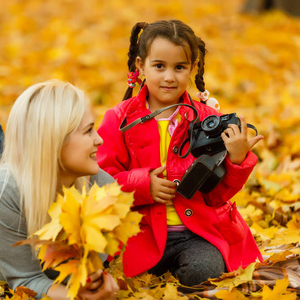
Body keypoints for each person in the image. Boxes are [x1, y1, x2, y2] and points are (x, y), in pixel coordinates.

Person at [0, 59, 119, 300]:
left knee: (21, 173)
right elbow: (26, 281)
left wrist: (97, 283)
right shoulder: (3, 191)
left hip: (8, 202)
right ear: (55, 139)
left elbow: (78, 273)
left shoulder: (102, 188)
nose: (99, 139)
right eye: (89, 130)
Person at [97, 20, 264, 286]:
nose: (169, 77)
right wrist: (143, 185)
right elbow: (101, 180)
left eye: (180, 67)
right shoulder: (119, 119)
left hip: (197, 234)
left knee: (205, 271)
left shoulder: (208, 119)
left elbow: (217, 196)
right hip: (137, 233)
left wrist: (236, 160)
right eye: (159, 66)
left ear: (193, 68)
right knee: (116, 275)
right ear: (140, 66)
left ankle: (176, 281)